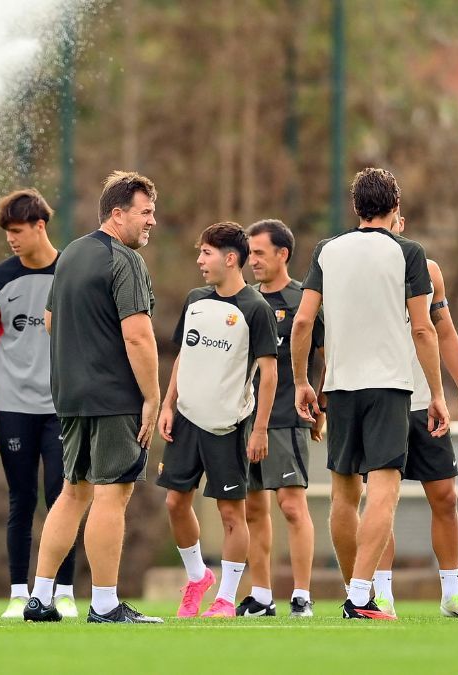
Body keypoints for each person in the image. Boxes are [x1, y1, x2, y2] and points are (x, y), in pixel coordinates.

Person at [291, 167, 449, 620]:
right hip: (390, 388)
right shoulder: (410, 253)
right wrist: (437, 392)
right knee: (384, 490)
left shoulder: (327, 250)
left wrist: (304, 381)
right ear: (395, 208)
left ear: (356, 208)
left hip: (339, 388)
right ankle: (360, 595)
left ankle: (358, 592)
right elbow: (422, 327)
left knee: (343, 495)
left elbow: (303, 322)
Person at [22, 171, 162, 624]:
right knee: (112, 495)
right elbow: (138, 336)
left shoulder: (71, 255)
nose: (152, 222)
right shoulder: (124, 260)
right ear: (117, 214)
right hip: (113, 397)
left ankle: (40, 599)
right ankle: (104, 604)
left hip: (70, 395)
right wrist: (152, 396)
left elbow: (48, 320)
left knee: (73, 492)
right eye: (145, 212)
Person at [158, 222, 278, 619]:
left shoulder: (255, 308)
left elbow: (269, 372)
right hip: (187, 421)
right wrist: (168, 404)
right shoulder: (196, 299)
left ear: (230, 258)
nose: (199, 260)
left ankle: (225, 599)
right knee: (175, 502)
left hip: (228, 426)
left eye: (206, 253)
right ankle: (197, 578)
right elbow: (183, 357)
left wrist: (260, 428)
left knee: (231, 513)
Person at [369, 212, 458, 619]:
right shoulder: (359, 269)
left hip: (426, 402)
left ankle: (452, 594)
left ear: (401, 221)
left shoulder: (428, 269)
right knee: (382, 501)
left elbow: (444, 331)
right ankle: (381, 595)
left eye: (396, 218)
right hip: (383, 401)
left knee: (445, 496)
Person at [0, 189, 78, 618]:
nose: (11, 239)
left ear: (40, 226)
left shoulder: (72, 272)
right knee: (20, 501)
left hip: (64, 408)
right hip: (12, 406)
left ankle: (63, 592)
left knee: (63, 498)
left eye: (17, 231)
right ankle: (19, 594)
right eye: (6, 233)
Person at [236, 219, 323, 618]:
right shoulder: (244, 301)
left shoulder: (303, 299)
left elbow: (324, 356)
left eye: (258, 253)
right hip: (244, 419)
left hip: (288, 418)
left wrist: (321, 406)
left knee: (291, 505)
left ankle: (302, 596)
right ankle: (262, 595)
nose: (251, 260)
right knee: (253, 508)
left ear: (282, 254)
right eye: (248, 252)